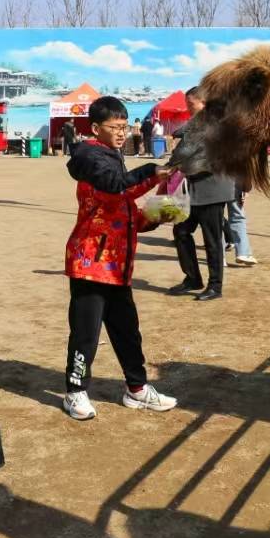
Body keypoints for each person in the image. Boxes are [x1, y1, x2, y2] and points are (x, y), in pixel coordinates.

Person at [62, 95, 179, 421]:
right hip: (90, 263)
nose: (121, 133)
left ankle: (137, 389)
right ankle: (75, 391)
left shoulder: (112, 157)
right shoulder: (89, 158)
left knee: (127, 330)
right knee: (86, 334)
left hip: (116, 265)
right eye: (114, 127)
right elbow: (116, 189)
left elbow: (121, 209)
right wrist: (153, 173)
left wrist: (154, 216)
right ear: (96, 128)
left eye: (125, 127)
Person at [169, 87, 236, 302]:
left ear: (204, 103)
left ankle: (215, 286)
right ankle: (193, 278)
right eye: (187, 104)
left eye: (191, 104)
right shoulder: (200, 123)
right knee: (181, 231)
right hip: (195, 189)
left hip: (213, 189)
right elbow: (179, 133)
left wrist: (169, 165)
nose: (188, 108)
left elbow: (183, 150)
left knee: (212, 241)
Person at [225, 183, 258, 267]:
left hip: (211, 183)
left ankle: (220, 257)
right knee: (237, 216)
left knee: (216, 218)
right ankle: (243, 252)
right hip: (233, 182)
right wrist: (246, 189)